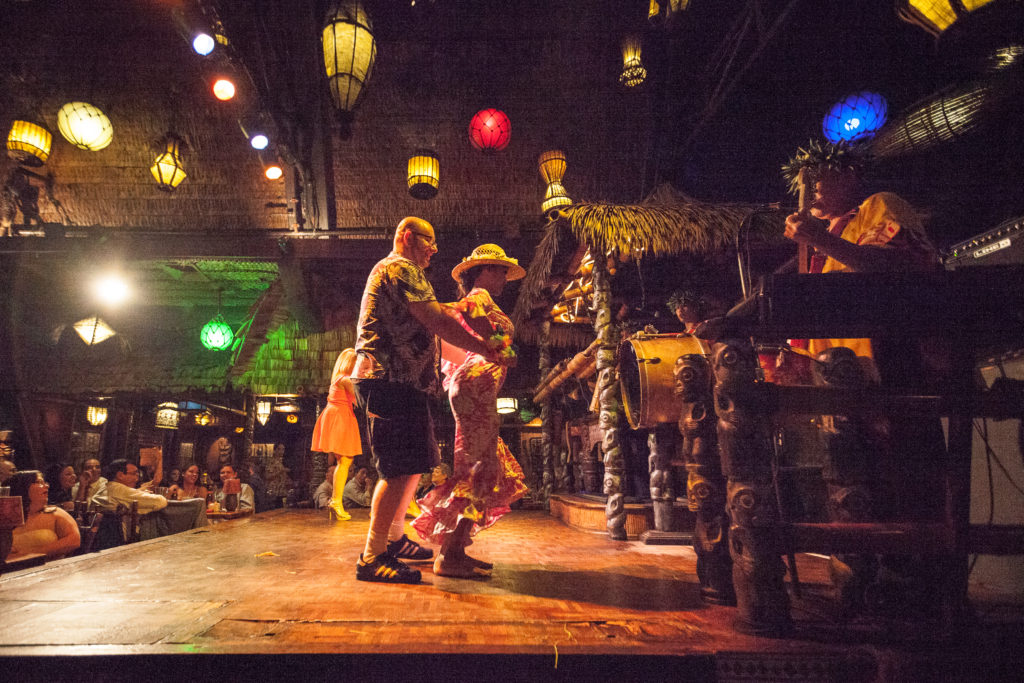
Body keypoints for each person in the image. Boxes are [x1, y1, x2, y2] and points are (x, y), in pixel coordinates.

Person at [781, 141, 945, 614]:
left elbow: (897, 265)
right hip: (840, 382)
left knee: (904, 481)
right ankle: (864, 592)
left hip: (890, 367)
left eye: (820, 176)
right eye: (804, 181)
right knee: (852, 485)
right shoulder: (828, 235)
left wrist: (822, 240)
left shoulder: (880, 206)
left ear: (850, 174)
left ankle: (916, 597)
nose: (810, 187)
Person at [350, 216, 506, 584]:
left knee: (414, 463)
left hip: (405, 381)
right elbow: (436, 320)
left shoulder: (406, 274)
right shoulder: (400, 268)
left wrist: (478, 355)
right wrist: (486, 348)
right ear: (406, 237)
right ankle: (372, 556)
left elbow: (434, 334)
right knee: (397, 467)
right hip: (386, 377)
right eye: (429, 241)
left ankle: (394, 539)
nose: (434, 249)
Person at [411, 244, 528, 578]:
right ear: (482, 272)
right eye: (499, 270)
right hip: (476, 386)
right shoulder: (480, 297)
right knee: (478, 470)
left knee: (481, 468)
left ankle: (457, 550)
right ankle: (449, 556)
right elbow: (459, 312)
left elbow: (457, 324)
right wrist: (497, 343)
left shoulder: (484, 301)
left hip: (475, 384)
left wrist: (495, 345)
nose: (504, 277)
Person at [311, 347, 364, 521]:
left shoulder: (339, 379)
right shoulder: (345, 379)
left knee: (345, 460)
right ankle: (336, 500)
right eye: (357, 363)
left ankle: (336, 500)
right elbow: (361, 398)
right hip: (339, 416)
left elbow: (358, 400)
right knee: (345, 460)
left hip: (340, 415)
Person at [6, 470, 81, 560]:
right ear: (23, 487)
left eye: (44, 482)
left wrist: (28, 554)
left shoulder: (55, 513)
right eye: (38, 482)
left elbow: (74, 540)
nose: (47, 486)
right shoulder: (7, 517)